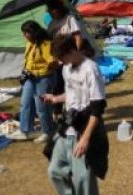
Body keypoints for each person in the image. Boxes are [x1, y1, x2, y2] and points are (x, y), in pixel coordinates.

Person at [44, 35, 109, 195]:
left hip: (84, 129)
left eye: (62, 57)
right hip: (67, 127)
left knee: (83, 180)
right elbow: (72, 93)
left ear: (72, 51)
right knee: (55, 171)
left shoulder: (91, 69)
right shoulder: (66, 68)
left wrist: (85, 139)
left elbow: (97, 108)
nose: (60, 62)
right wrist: (56, 98)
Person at [17, 21, 56, 142]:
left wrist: (44, 71)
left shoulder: (45, 44)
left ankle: (47, 132)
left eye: (26, 33)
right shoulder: (30, 43)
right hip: (30, 77)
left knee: (42, 107)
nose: (24, 35)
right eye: (24, 33)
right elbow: (28, 59)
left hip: (43, 78)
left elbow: (52, 62)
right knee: (25, 103)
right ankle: (25, 131)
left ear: (33, 32)